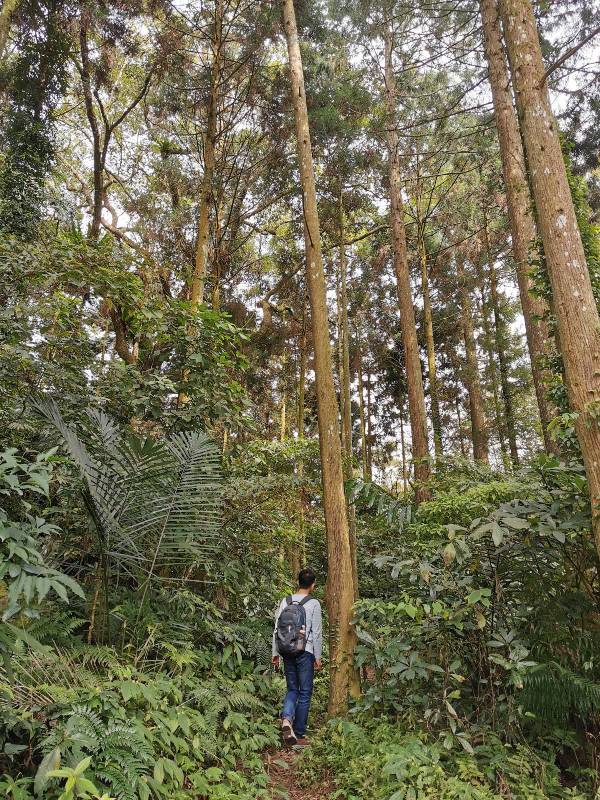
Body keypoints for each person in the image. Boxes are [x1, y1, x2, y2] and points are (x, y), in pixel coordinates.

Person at [272, 567, 322, 747]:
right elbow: (316, 633)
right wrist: (318, 656)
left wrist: (275, 653)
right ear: (313, 585)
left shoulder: (285, 601)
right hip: (305, 651)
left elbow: (277, 630)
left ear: (298, 582)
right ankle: (299, 733)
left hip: (286, 650)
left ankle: (286, 720)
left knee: (292, 689)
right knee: (305, 691)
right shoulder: (314, 603)